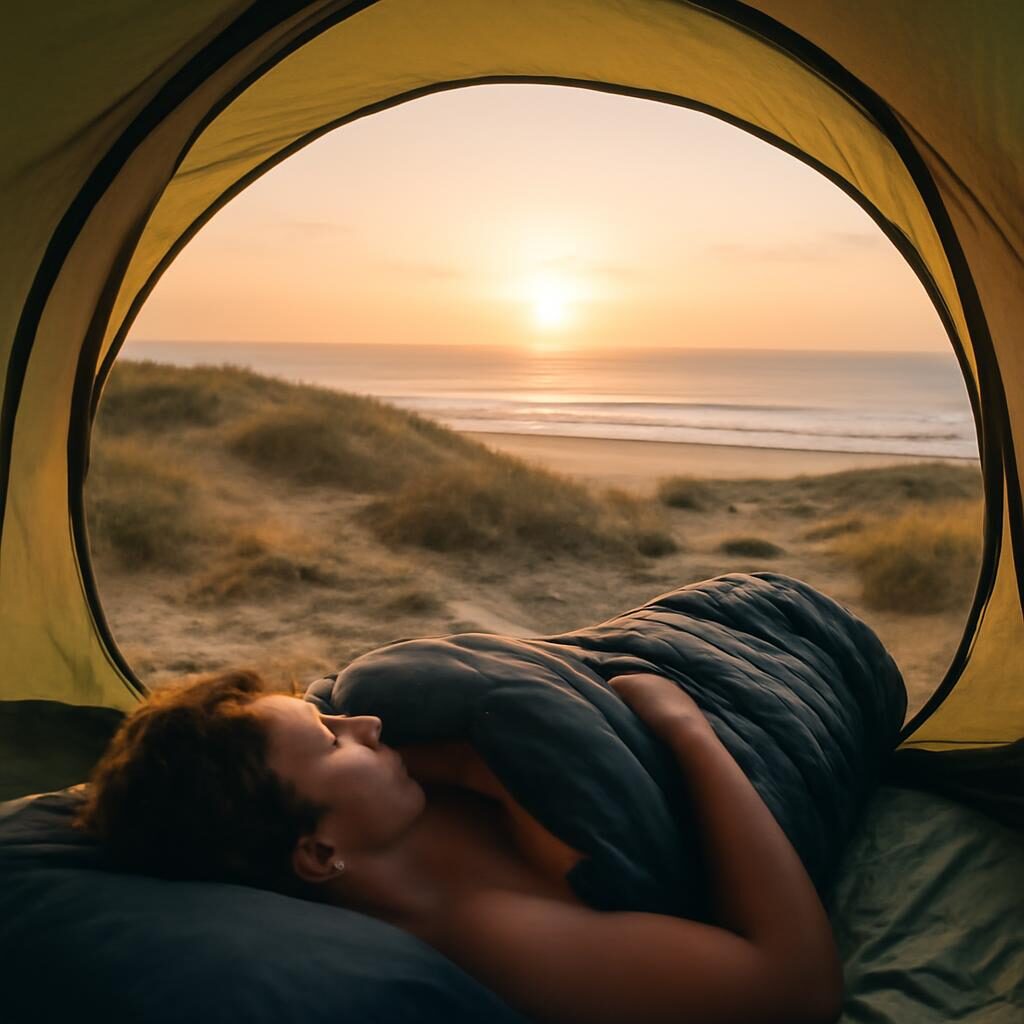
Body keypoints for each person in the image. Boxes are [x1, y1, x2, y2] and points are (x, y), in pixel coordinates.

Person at [76, 668, 843, 1024]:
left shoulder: (390, 796)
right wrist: (685, 729)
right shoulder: (486, 930)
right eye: (330, 739)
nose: (365, 726)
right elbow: (793, 988)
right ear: (317, 854)